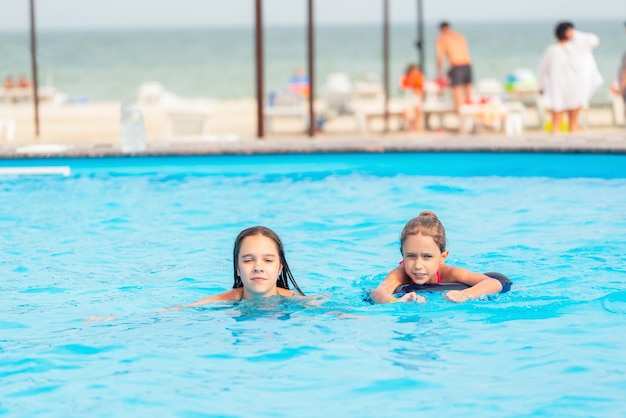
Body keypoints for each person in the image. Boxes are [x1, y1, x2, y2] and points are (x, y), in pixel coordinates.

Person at [370, 211, 503, 304]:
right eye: (411, 256)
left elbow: (494, 283)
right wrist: (396, 301)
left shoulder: (451, 273)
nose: (418, 265)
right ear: (402, 255)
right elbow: (379, 291)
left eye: (427, 256)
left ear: (442, 257)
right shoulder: (401, 273)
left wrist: (465, 294)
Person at [179, 226, 305, 306]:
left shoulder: (301, 303)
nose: (258, 267)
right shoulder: (218, 303)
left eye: (268, 260)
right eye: (248, 260)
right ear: (237, 268)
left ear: (279, 268)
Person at [539, 22, 602, 134]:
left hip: (574, 88)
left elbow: (594, 40)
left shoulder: (577, 47)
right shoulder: (552, 50)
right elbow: (543, 70)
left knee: (573, 123)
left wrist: (574, 34)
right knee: (556, 123)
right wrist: (541, 86)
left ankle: (572, 147)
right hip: (557, 88)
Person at [436, 21, 473, 113]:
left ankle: (461, 125)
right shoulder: (459, 36)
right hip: (467, 64)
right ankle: (471, 122)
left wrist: (439, 74)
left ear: (442, 29)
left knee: (457, 97)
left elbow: (440, 58)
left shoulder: (442, 39)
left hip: (456, 66)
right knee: (469, 97)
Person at [399, 64, 425, 132]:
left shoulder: (418, 77)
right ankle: (413, 127)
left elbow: (420, 90)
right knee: (411, 112)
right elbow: (403, 88)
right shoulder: (405, 78)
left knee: (418, 111)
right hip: (409, 97)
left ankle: (418, 127)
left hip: (415, 97)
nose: (415, 72)